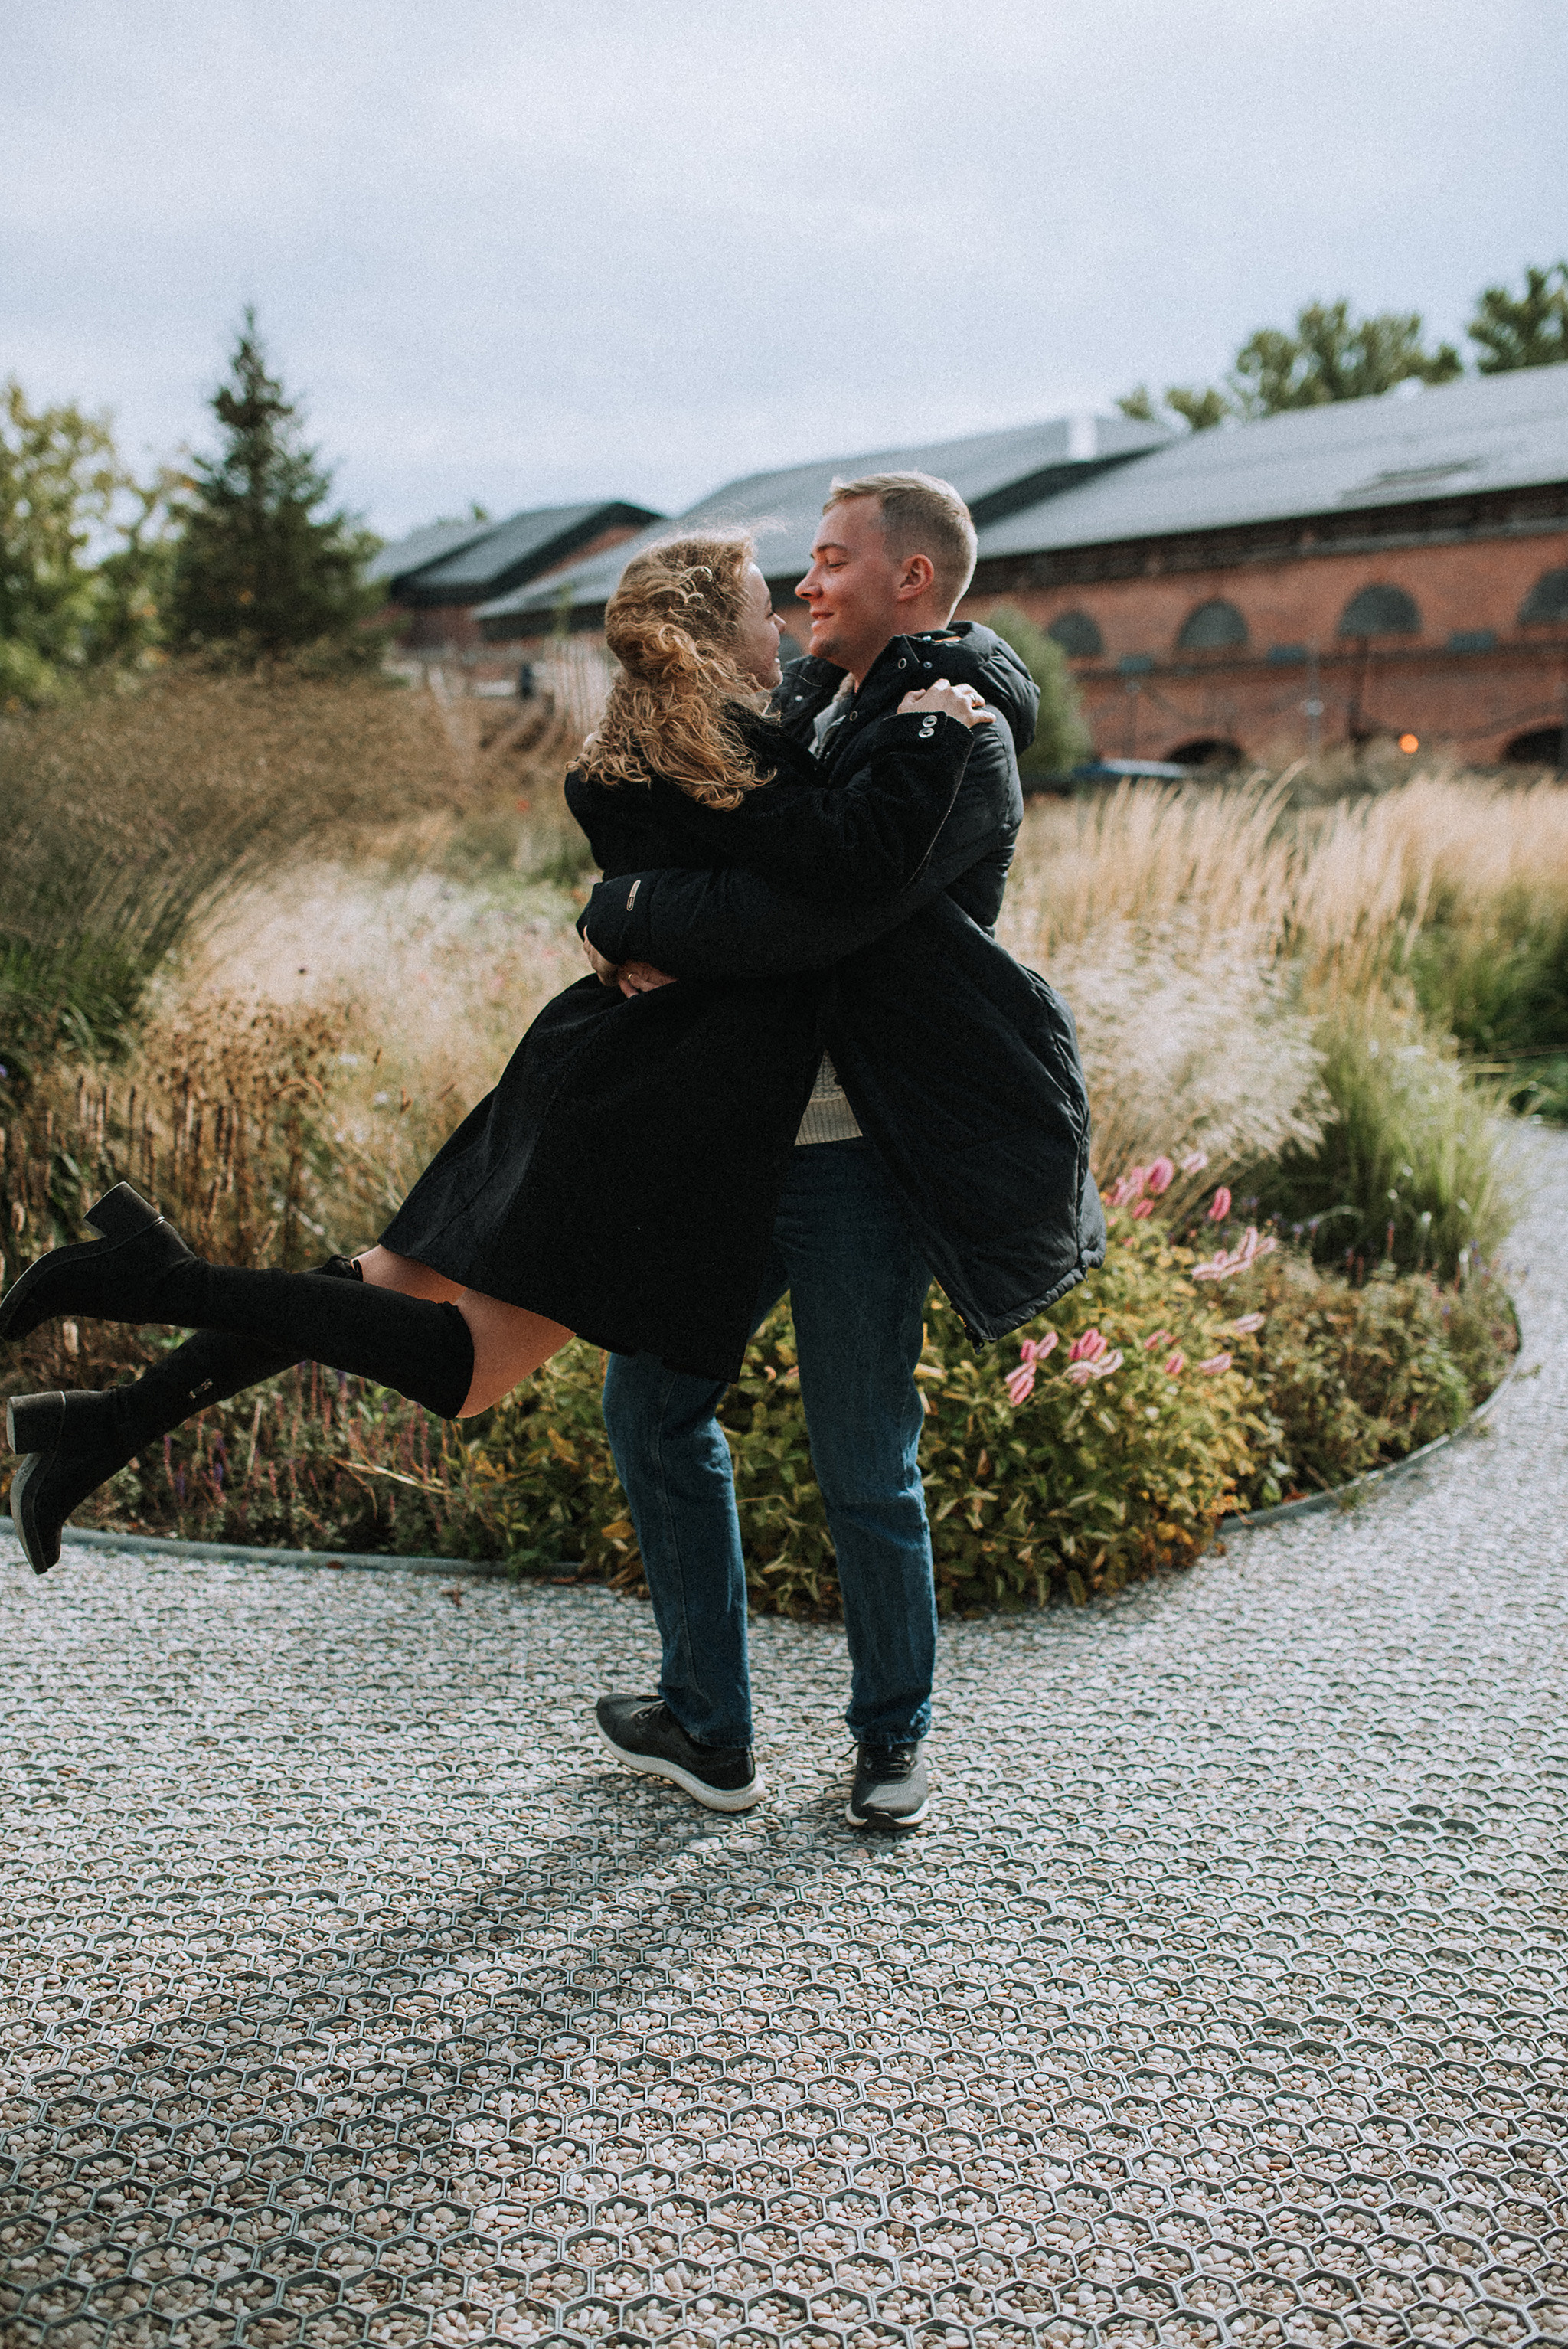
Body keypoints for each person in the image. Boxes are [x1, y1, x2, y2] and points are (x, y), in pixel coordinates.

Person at [1, 526, 1082, 1592]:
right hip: (646, 1103)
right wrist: (936, 734)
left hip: (589, 1064)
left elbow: (802, 748)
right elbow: (841, 872)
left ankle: (109, 1421)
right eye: (766, 609)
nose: (789, 620)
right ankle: (154, 1280)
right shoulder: (732, 764)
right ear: (716, 638)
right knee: (464, 1369)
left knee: (380, 1282)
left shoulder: (649, 745)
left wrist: (625, 912)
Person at [576, 475, 1103, 1831]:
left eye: (827, 562)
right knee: (650, 1407)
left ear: (910, 581)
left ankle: (891, 1739)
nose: (804, 586)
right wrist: (634, 911)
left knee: (864, 1456)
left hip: (853, 1156)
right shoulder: (822, 706)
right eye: (797, 568)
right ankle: (708, 1726)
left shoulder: (954, 735)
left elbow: (814, 908)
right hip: (738, 1144)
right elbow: (723, 867)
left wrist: (635, 912)